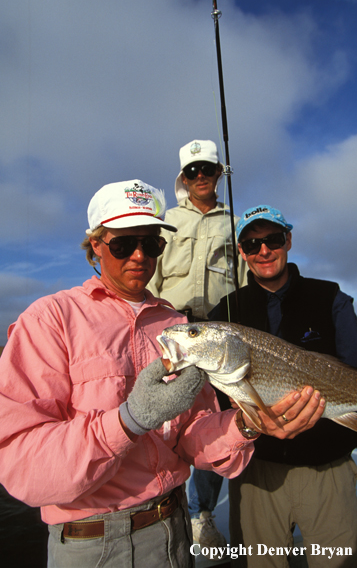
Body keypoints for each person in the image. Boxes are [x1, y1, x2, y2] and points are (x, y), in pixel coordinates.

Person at [0, 181, 324, 568]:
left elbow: (193, 436)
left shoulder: (177, 324)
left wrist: (249, 423)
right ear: (96, 246)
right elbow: (21, 467)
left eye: (151, 243)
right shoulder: (49, 320)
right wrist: (128, 421)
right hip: (94, 544)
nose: (139, 256)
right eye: (123, 244)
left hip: (175, 530)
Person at [209, 203, 357, 568]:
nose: (263, 250)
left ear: (288, 240)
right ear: (243, 254)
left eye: (273, 239)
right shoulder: (226, 314)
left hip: (327, 469)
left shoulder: (331, 298)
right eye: (251, 244)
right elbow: (218, 394)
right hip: (256, 472)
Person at [148, 139, 248, 547]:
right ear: (182, 178)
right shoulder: (166, 220)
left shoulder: (236, 223)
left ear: (219, 173)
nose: (201, 177)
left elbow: (244, 281)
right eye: (192, 171)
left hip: (219, 335)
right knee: (164, 420)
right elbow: (151, 279)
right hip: (173, 329)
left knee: (213, 420)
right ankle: (160, 504)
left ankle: (201, 513)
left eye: (208, 169)